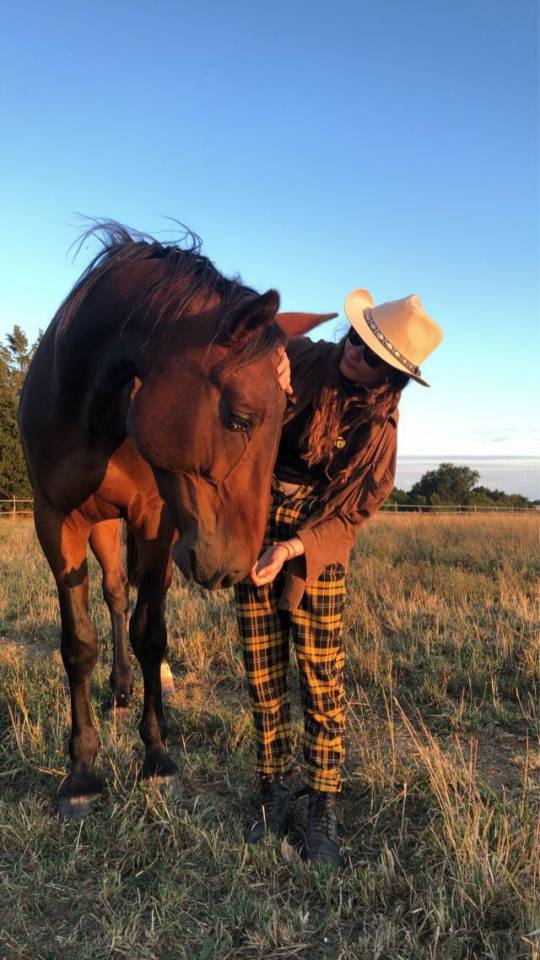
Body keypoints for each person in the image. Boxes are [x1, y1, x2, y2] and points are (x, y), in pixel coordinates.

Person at [234, 288, 444, 867]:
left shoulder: (380, 431)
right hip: (257, 516)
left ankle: (323, 802)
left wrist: (292, 548)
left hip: (315, 543)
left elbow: (351, 515)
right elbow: (257, 331)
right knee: (261, 671)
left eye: (372, 355)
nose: (355, 353)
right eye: (356, 337)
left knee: (320, 678)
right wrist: (271, 354)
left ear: (392, 377)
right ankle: (273, 789)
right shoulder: (306, 358)